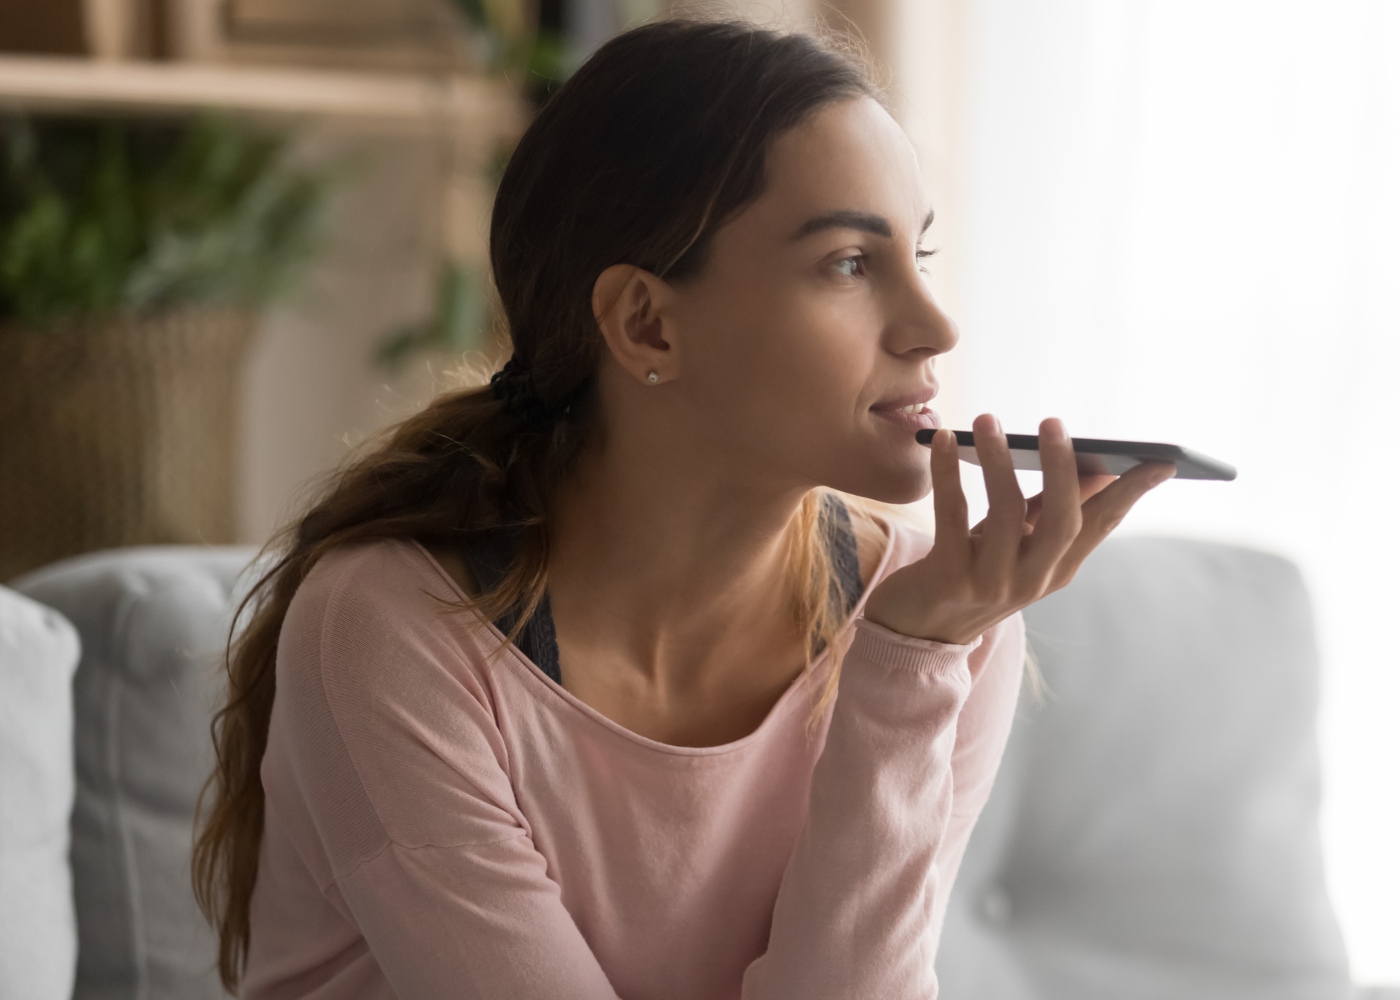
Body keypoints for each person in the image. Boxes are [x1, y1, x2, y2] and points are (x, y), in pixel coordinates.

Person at [193, 16, 1174, 1000]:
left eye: (919, 255)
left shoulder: (938, 621)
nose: (933, 325)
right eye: (848, 263)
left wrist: (910, 661)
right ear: (646, 323)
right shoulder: (394, 627)